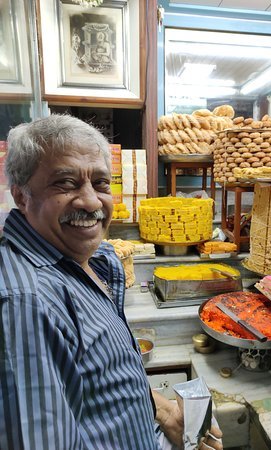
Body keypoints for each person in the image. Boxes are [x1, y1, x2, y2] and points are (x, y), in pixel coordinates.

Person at [0, 114, 222, 449]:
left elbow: (102, 377)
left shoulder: (90, 260)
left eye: (101, 183)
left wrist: (163, 413)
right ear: (21, 196)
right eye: (65, 183)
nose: (91, 201)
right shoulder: (24, 302)